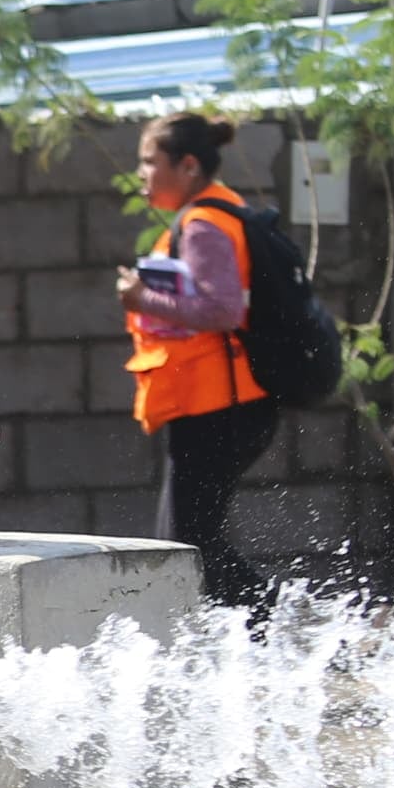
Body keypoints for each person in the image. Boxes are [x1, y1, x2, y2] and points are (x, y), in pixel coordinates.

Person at [119, 110, 280, 607]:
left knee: (184, 547)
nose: (141, 174)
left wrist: (142, 298)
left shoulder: (204, 225)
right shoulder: (222, 211)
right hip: (221, 403)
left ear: (187, 165)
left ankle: (267, 621)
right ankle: (252, 634)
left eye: (150, 162)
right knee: (190, 541)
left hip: (216, 406)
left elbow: (221, 308)